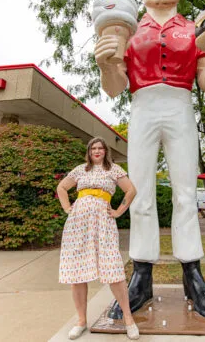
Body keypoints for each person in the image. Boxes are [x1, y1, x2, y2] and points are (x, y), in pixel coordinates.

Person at [94, 0, 205, 319]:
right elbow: (114, 87)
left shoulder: (196, 29)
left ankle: (192, 271)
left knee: (185, 193)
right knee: (139, 193)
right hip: (142, 106)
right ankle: (141, 274)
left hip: (179, 105)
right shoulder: (126, 28)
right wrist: (105, 63)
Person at [57, 137, 139, 340]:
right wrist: (68, 208)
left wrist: (119, 211)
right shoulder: (80, 170)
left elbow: (131, 190)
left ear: (105, 151)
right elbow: (61, 188)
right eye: (93, 148)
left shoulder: (114, 170)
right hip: (78, 223)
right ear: (89, 151)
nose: (97, 151)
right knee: (77, 272)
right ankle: (81, 321)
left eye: (100, 148)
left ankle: (128, 319)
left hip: (103, 221)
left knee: (113, 268)